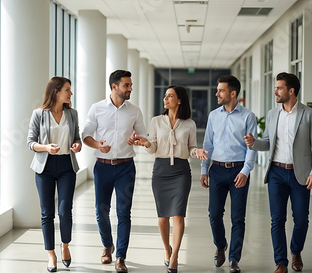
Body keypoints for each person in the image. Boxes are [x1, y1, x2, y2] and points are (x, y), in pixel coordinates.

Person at [244, 72, 312, 273]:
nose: (275, 91)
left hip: (301, 175)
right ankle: (281, 262)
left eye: (279, 88)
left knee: (301, 219)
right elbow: (268, 143)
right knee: (277, 220)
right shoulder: (272, 114)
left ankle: (296, 251)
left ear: (291, 90)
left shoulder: (309, 115)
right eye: (275, 87)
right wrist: (255, 144)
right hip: (276, 174)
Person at [81, 70, 146, 273]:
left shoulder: (135, 111)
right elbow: (85, 135)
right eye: (127, 85)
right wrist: (98, 146)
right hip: (102, 167)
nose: (130, 89)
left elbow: (143, 136)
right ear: (114, 86)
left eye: (131, 85)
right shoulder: (97, 108)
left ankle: (120, 257)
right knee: (101, 211)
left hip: (126, 167)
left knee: (124, 213)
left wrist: (136, 140)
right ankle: (107, 246)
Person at [130, 85, 199, 273]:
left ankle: (175, 255)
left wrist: (197, 151)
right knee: (162, 217)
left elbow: (191, 149)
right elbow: (153, 148)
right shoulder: (156, 121)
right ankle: (166, 249)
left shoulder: (189, 124)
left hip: (181, 171)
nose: (165, 99)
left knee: (178, 215)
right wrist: (145, 143)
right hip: (160, 170)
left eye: (170, 96)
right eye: (165, 96)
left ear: (179, 100)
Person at [196, 75, 257, 273]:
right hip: (217, 170)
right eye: (217, 90)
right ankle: (220, 245)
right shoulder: (214, 115)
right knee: (214, 214)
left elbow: (252, 147)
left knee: (238, 218)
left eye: (221, 90)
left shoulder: (248, 117)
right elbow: (207, 145)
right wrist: (204, 170)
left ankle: (234, 259)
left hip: (239, 170)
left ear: (233, 93)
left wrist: (246, 171)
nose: (217, 93)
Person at [27, 76, 81, 272]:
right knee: (47, 214)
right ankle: (51, 254)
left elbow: (77, 138)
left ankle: (65, 245)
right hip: (45, 168)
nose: (71, 93)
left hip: (67, 165)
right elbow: (30, 142)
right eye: (67, 89)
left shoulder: (72, 113)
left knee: (65, 211)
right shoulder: (38, 114)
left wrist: (77, 145)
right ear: (56, 91)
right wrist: (45, 147)